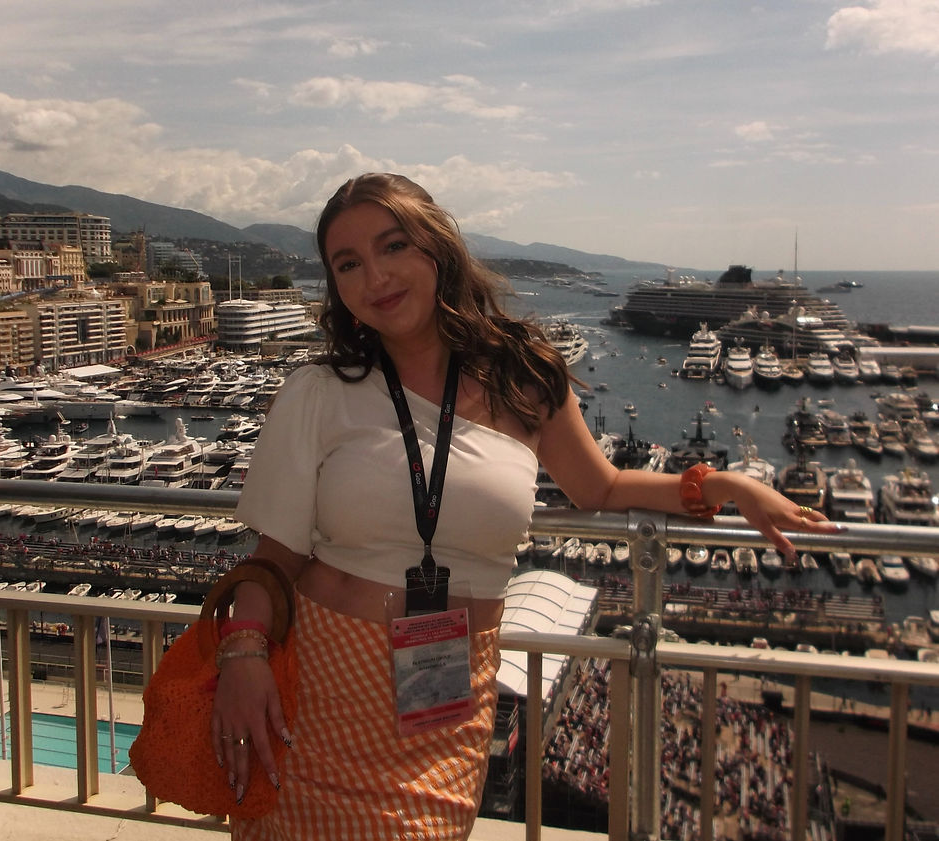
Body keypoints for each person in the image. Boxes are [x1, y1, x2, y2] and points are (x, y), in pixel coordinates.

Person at [209, 172, 839, 840]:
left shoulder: (525, 378)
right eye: (348, 263)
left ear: (436, 250)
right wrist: (242, 655)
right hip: (321, 694)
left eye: (393, 247)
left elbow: (602, 488)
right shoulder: (319, 391)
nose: (376, 276)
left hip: (444, 703)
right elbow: (273, 558)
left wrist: (721, 485)